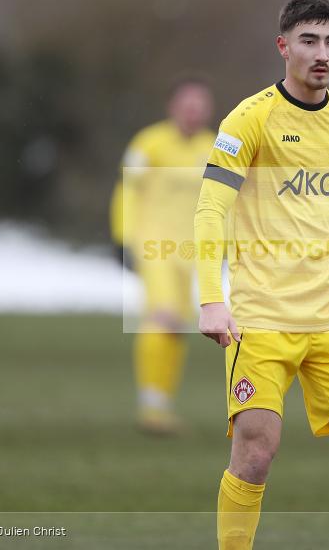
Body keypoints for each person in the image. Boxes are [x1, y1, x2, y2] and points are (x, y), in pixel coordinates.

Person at [194, 0, 329, 550]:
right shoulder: (249, 118)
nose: (321, 53)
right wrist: (211, 298)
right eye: (309, 41)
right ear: (284, 46)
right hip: (260, 319)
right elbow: (211, 208)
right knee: (255, 454)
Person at [110, 77, 215, 434]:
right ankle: (151, 408)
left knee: (178, 326)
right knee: (163, 316)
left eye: (200, 106)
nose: (193, 112)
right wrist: (122, 238)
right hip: (152, 248)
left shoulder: (215, 147)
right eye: (187, 104)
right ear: (172, 106)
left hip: (191, 253)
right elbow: (127, 190)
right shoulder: (149, 143)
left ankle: (161, 405)